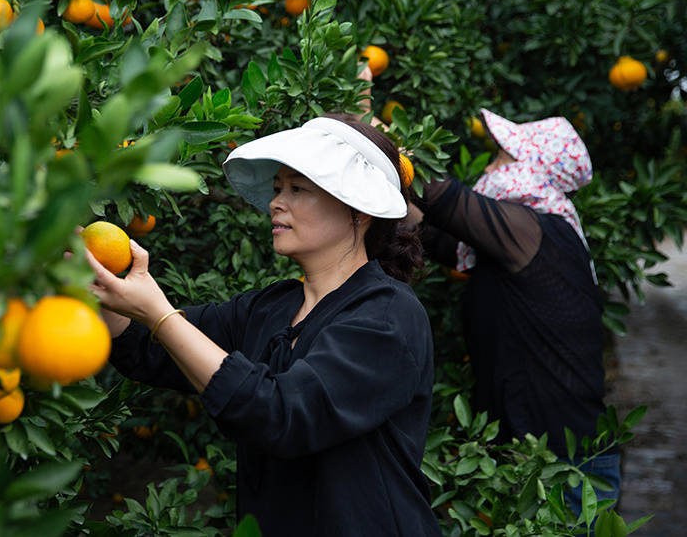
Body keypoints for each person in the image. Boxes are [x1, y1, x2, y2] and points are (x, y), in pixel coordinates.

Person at [84, 114, 442, 536]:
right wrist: (97, 282)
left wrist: (159, 313)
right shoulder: (272, 307)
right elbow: (148, 346)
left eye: (297, 189)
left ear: (357, 210)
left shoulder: (387, 316)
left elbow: (281, 414)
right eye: (276, 189)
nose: (276, 203)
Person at [407, 108, 620, 520]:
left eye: (501, 157)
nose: (489, 165)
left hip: (567, 469)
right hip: (521, 458)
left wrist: (381, 139)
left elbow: (442, 198)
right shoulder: (508, 242)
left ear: (530, 171)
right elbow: (425, 231)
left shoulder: (538, 233)